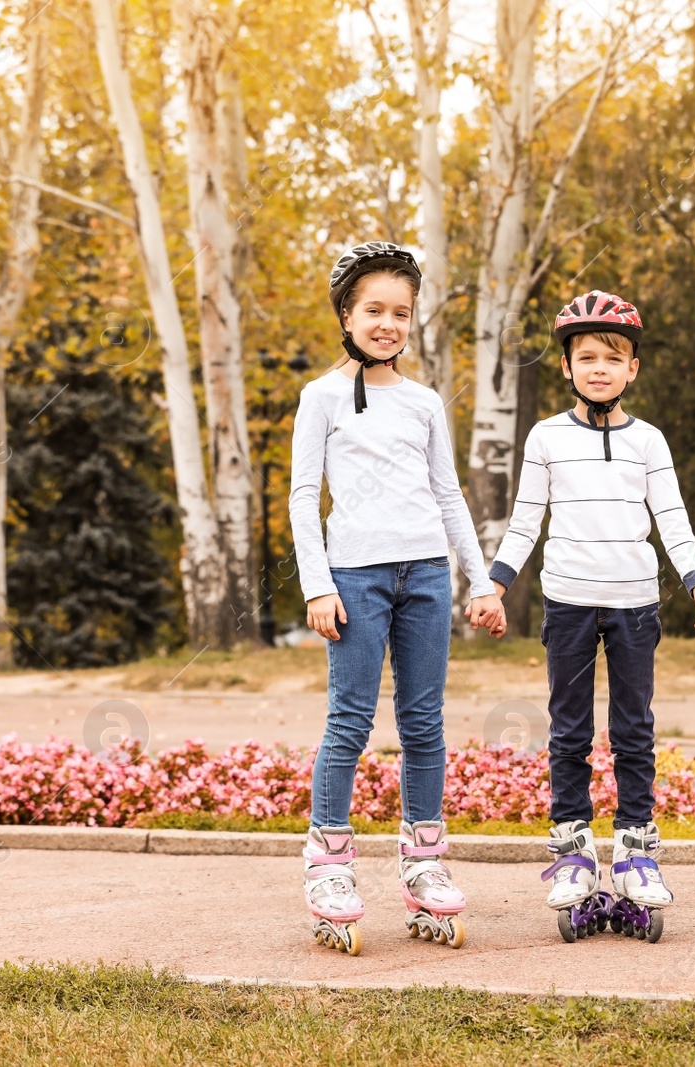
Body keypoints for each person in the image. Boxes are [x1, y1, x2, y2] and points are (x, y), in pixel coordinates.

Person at [488, 289, 695, 944]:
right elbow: (525, 522)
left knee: (635, 730)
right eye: (587, 355)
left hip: (635, 604)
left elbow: (674, 522)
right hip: (568, 602)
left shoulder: (648, 442)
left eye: (614, 357)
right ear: (568, 366)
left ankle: (634, 852)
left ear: (634, 369)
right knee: (568, 731)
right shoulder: (546, 437)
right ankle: (573, 852)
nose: (600, 367)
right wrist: (494, 585)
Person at [290, 241, 507, 955]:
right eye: (374, 310)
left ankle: (424, 861)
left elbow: (449, 493)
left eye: (401, 312)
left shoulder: (421, 402)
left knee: (424, 723)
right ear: (346, 315)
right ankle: (328, 866)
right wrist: (317, 584)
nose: (388, 323)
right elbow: (301, 497)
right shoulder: (320, 396)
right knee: (349, 719)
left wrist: (479, 578)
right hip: (355, 579)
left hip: (425, 576)